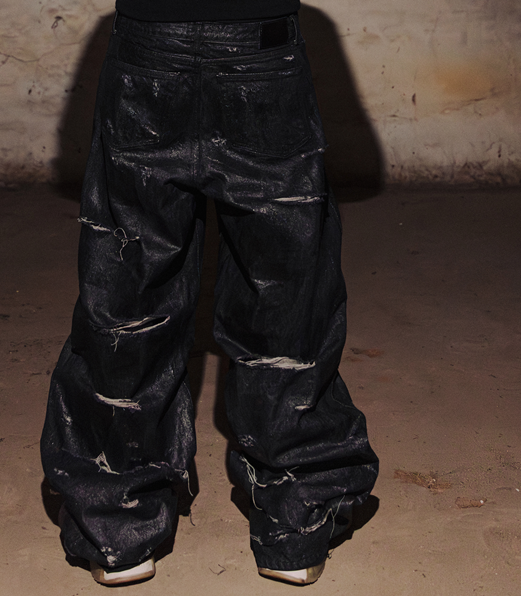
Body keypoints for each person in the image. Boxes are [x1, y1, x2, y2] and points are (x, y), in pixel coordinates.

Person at [41, 0, 379, 587]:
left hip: (148, 46)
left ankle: (118, 523)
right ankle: (295, 521)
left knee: (129, 292)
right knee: (285, 293)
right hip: (263, 49)